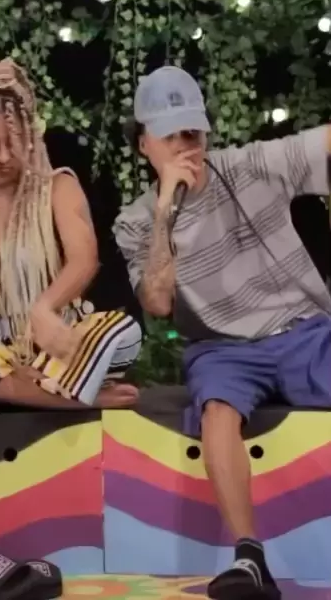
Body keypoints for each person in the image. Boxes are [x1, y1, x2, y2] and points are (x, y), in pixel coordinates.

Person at [114, 65, 331, 600]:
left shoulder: (249, 165)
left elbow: (321, 141)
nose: (186, 144)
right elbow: (158, 303)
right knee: (217, 410)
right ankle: (249, 557)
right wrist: (165, 209)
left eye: (193, 131)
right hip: (223, 348)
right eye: (171, 135)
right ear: (144, 144)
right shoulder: (135, 221)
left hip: (300, 329)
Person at [0, 58, 142, 421]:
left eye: (13, 141)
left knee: (120, 332)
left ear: (31, 138)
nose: (4, 155)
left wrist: (44, 309)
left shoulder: (57, 187)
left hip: (55, 350)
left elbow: (85, 259)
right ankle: (60, 397)